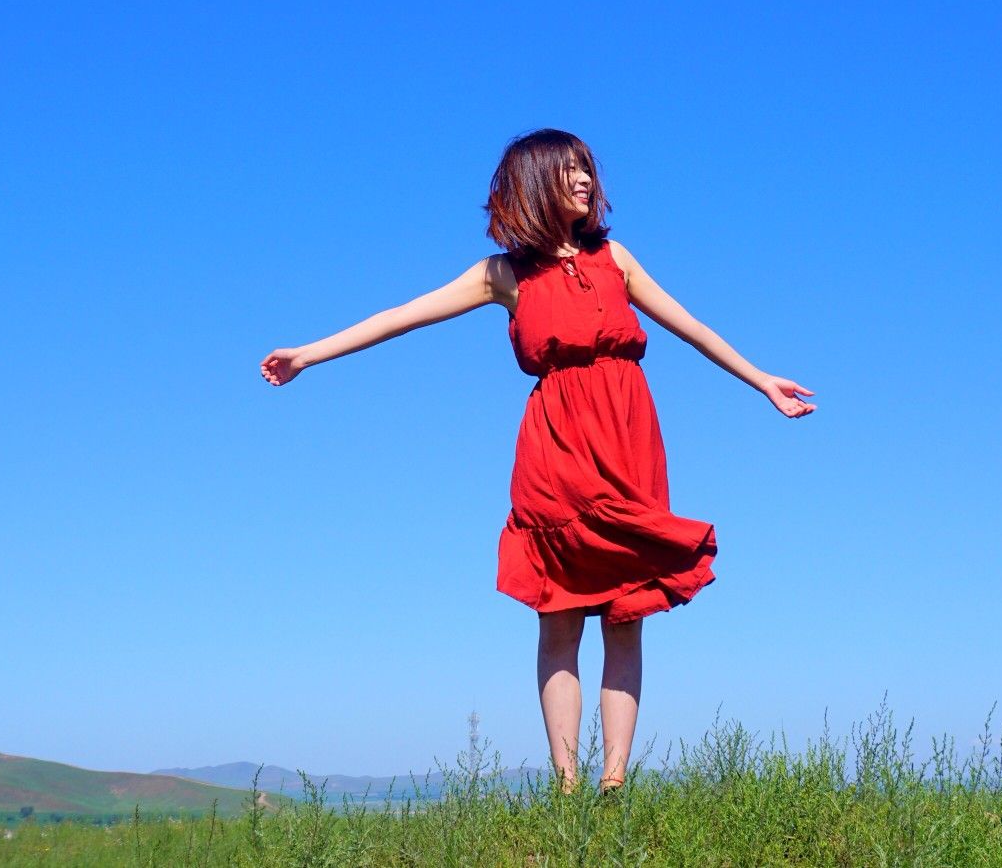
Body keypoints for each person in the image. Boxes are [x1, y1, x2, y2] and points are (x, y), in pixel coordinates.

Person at [259, 128, 816, 794]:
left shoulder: (616, 259)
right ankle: (567, 785)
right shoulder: (505, 274)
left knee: (627, 613)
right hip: (556, 450)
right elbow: (402, 315)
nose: (584, 179)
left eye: (587, 168)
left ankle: (613, 785)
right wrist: (308, 355)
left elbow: (690, 326)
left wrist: (762, 381)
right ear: (535, 182)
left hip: (628, 438)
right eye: (569, 170)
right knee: (558, 612)